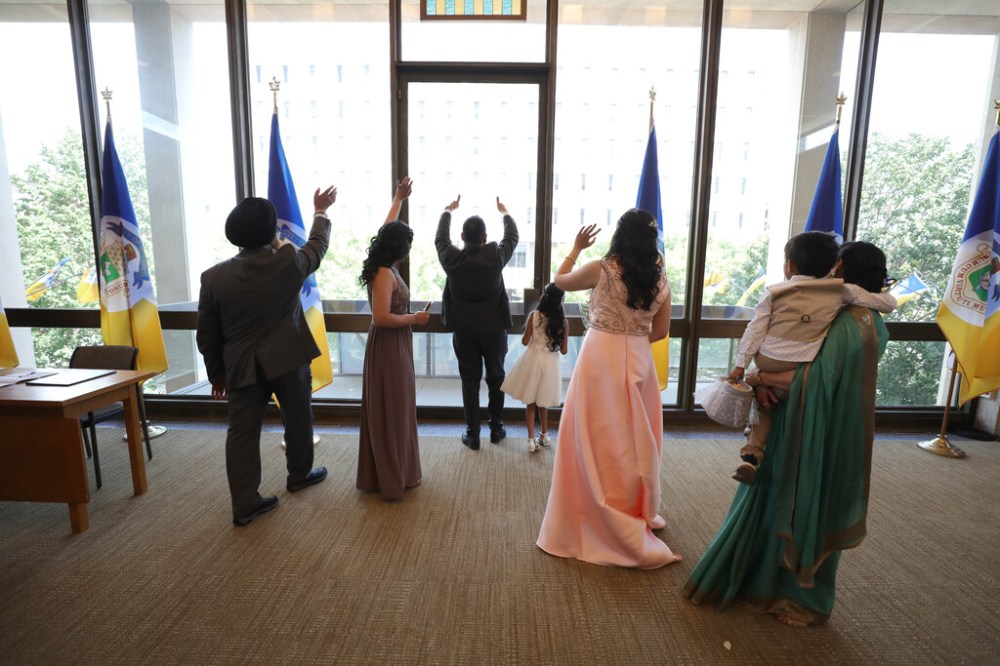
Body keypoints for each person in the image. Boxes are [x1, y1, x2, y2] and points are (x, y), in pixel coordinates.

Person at [683, 239, 892, 626]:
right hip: (820, 425)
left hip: (811, 431)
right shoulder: (862, 316)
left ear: (841, 269)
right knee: (785, 500)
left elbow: (814, 377)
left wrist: (758, 376)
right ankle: (765, 585)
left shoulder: (851, 322)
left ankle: (800, 600)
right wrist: (763, 383)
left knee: (792, 502)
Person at [536, 210, 681, 569]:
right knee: (635, 437)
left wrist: (575, 247)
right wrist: (633, 337)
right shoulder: (660, 279)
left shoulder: (601, 267)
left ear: (619, 235)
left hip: (601, 355)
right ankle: (634, 507)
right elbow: (661, 332)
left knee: (594, 434)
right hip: (639, 357)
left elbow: (560, 281)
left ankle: (597, 511)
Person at [196, 187, 336, 526]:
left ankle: (244, 503)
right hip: (288, 358)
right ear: (272, 232)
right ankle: (299, 475)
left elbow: (207, 334)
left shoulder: (213, 277)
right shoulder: (286, 262)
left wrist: (217, 375)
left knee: (241, 433)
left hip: (240, 366)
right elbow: (316, 249)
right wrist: (320, 212)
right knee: (298, 418)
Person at [726, 231, 896, 484]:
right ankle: (753, 447)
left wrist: (752, 373)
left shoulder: (846, 319)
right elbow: (888, 302)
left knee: (765, 417)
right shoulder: (840, 298)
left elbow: (816, 374)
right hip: (802, 380)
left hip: (799, 399)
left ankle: (752, 451)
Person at [357, 177, 427, 499]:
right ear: (401, 248)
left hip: (393, 344)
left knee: (394, 406)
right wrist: (415, 318)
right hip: (389, 345)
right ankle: (391, 477)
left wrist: (399, 199)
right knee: (393, 407)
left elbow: (386, 228)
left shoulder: (384, 263)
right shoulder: (385, 273)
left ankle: (394, 471)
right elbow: (381, 317)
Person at [435, 195, 519, 450]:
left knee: (470, 381)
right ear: (484, 238)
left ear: (461, 236)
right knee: (497, 378)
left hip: (464, 331)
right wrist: (505, 213)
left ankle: (473, 435)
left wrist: (448, 210)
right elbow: (512, 237)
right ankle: (496, 429)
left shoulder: (451, 258)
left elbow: (440, 238)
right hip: (494, 331)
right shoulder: (493, 256)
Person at [500, 282, 568, 453]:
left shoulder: (534, 315)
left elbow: (524, 341)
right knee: (543, 401)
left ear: (544, 297)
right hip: (550, 362)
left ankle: (531, 440)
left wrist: (534, 338)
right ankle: (545, 435)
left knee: (530, 402)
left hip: (532, 360)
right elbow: (565, 351)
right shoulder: (562, 321)